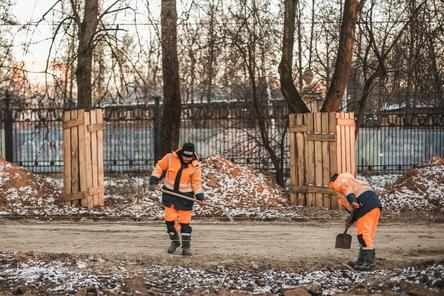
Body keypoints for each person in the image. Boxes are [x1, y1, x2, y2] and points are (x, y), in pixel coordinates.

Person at [148, 142, 205, 256]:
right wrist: (154, 179)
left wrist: (200, 196)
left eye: (189, 157)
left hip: (186, 198)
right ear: (181, 153)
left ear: (193, 155)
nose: (187, 159)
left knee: (185, 223)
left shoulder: (195, 166)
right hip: (169, 195)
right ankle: (174, 242)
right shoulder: (170, 158)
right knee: (169, 221)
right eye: (185, 156)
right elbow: (159, 167)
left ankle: (186, 247)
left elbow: (196, 183)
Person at [329, 172, 382, 271]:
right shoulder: (354, 181)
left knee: (364, 235)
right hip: (374, 205)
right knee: (366, 234)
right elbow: (355, 208)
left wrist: (352, 200)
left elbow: (346, 189)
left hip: (365, 206)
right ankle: (361, 260)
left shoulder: (340, 181)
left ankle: (369, 263)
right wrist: (351, 220)